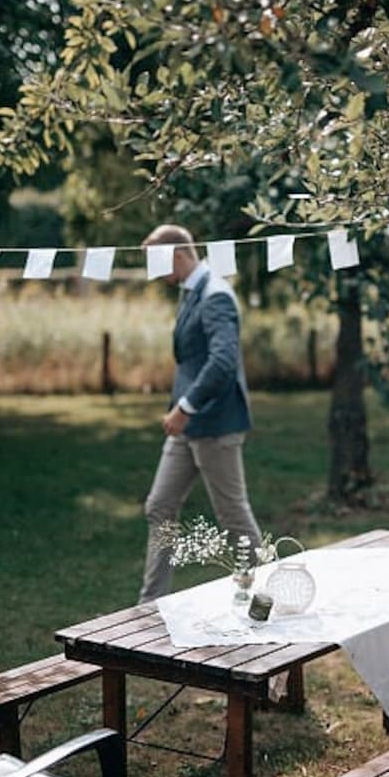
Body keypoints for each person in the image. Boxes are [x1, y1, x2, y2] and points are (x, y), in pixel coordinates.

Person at [138, 223, 262, 602]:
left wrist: (185, 407)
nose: (154, 275)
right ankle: (151, 604)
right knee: (160, 505)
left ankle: (261, 598)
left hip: (214, 423)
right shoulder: (191, 291)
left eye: (156, 264)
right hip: (187, 428)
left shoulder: (215, 295)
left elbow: (223, 361)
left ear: (177, 255)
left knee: (234, 519)